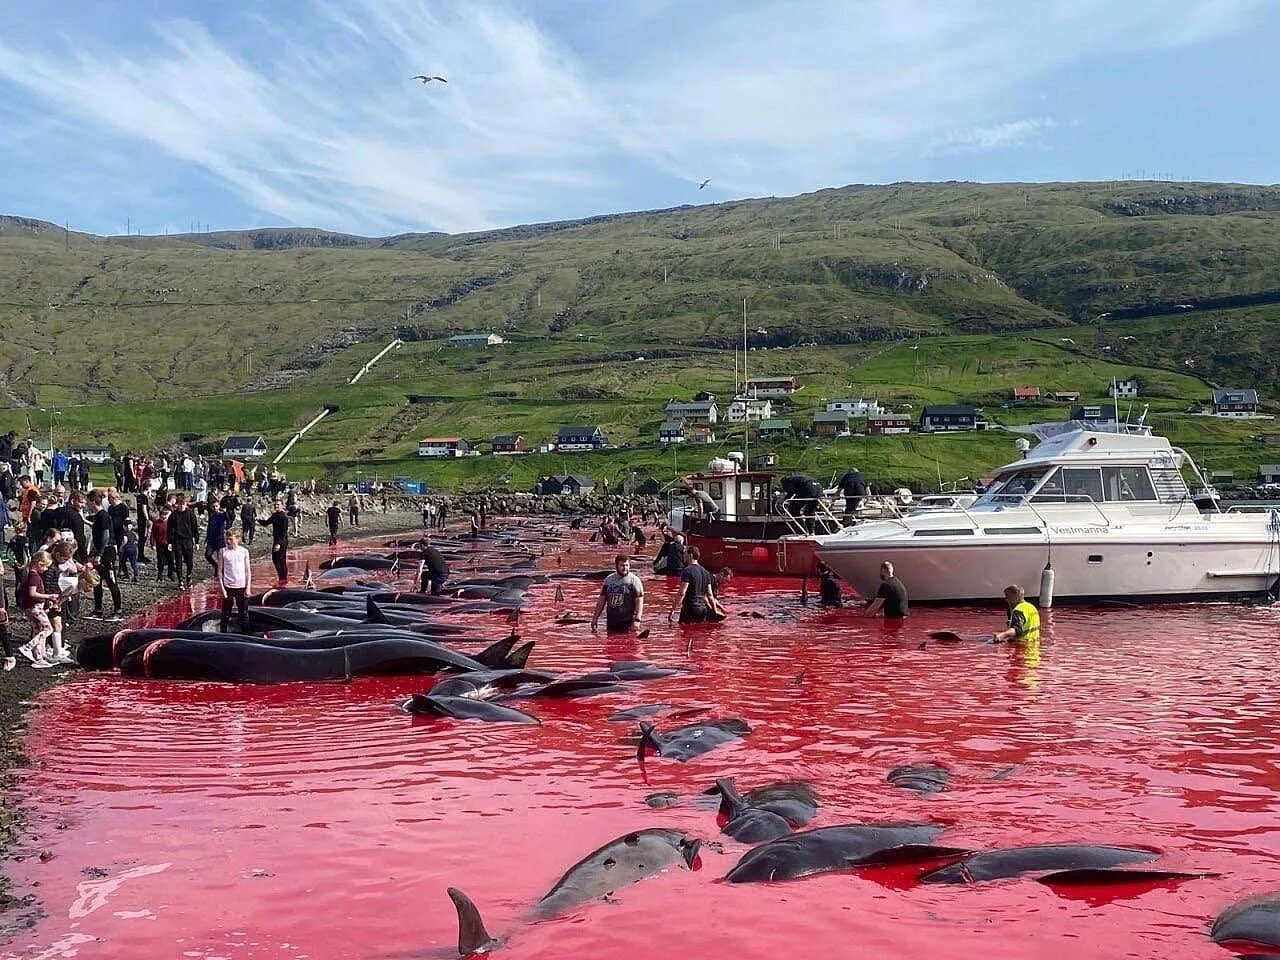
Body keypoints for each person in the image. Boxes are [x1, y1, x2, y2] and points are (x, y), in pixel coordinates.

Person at [17, 552, 59, 667]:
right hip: (35, 607)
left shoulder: (31, 574)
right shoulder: (34, 576)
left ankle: (38, 657)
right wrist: (49, 596)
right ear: (40, 564)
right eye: (45, 567)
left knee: (38, 630)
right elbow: (33, 593)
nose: (46, 570)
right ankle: (28, 648)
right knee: (48, 629)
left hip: (33, 607)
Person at [86, 491, 122, 619]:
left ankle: (118, 610)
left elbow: (106, 535)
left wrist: (100, 554)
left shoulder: (104, 516)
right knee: (97, 581)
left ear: (92, 501)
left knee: (111, 581)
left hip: (107, 551)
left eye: (88, 502)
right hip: (99, 550)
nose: (87, 505)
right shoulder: (97, 516)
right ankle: (98, 609)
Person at [592, 554, 645, 633]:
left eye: (627, 565)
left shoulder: (634, 581)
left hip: (628, 621)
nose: (625, 568)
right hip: (612, 621)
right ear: (616, 566)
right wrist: (595, 618)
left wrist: (637, 619)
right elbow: (601, 600)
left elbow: (639, 601)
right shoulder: (609, 580)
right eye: (622, 565)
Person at [668, 545, 716, 624]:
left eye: (685, 554)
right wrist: (714, 612)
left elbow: (682, 593)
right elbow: (710, 595)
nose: (683, 556)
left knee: (685, 634)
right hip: (703, 610)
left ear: (690, 555)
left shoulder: (687, 571)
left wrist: (672, 610)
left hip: (690, 608)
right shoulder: (706, 572)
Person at [216, 530, 252, 633]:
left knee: (243, 613)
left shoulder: (244, 551)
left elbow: (248, 571)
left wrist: (248, 587)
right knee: (225, 613)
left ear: (238, 539)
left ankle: (246, 635)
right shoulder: (223, 551)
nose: (228, 541)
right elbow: (219, 571)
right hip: (228, 586)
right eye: (226, 539)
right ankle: (223, 634)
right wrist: (222, 589)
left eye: (230, 539)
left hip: (241, 586)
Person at [168, 496, 200, 588]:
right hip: (177, 541)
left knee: (189, 561)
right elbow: (169, 530)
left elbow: (195, 528)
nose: (181, 506)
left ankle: (189, 577)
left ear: (186, 505)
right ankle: (180, 580)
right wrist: (170, 542)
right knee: (178, 561)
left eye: (183, 504)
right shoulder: (173, 515)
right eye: (180, 504)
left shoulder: (190, 514)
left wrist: (196, 542)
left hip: (188, 540)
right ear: (177, 505)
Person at [258, 500, 290, 582]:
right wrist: (258, 520)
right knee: (275, 559)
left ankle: (283, 578)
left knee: (281, 560)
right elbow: (266, 523)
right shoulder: (275, 515)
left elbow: (284, 531)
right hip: (276, 539)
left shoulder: (284, 517)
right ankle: (281, 577)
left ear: (282, 506)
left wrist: (279, 543)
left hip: (282, 541)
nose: (276, 506)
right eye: (275, 505)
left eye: (278, 505)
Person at [151, 508, 175, 583]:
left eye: (165, 515)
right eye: (162, 515)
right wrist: (153, 544)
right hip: (160, 544)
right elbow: (153, 534)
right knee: (160, 561)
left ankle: (170, 574)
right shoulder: (156, 523)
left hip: (169, 544)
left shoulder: (171, 523)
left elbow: (174, 534)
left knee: (171, 560)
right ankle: (160, 575)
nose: (164, 516)